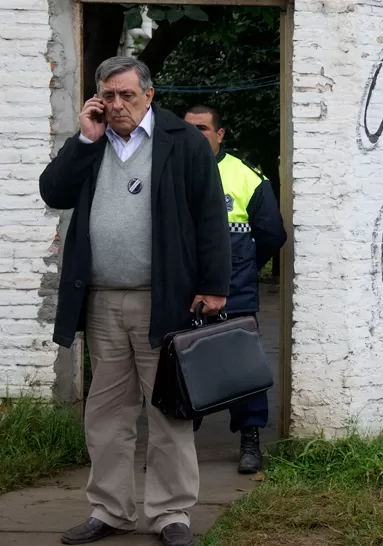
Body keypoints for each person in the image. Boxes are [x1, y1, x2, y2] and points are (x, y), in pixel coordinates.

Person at [39, 56, 230, 546]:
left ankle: (170, 515)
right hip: (102, 299)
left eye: (127, 94)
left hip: (163, 300)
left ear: (149, 95)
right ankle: (110, 510)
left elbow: (210, 216)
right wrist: (84, 139)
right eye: (109, 94)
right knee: (106, 413)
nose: (117, 104)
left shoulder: (182, 142)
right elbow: (53, 192)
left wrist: (214, 286)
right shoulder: (92, 142)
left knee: (168, 410)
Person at [183, 105, 286, 474]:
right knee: (183, 368)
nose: (195, 135)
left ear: (220, 134)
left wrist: (243, 269)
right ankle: (178, 449)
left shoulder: (246, 178)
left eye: (203, 129)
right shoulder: (169, 170)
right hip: (182, 292)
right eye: (188, 129)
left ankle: (250, 439)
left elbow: (272, 235)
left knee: (242, 369)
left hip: (235, 292)